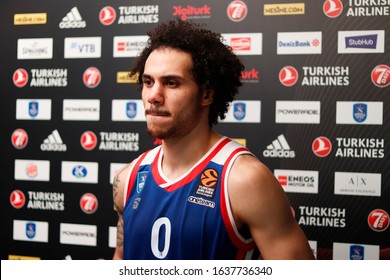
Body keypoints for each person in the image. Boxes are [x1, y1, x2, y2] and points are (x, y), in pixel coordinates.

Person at [112, 19, 315, 260]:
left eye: (171, 83)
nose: (154, 96)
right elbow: (121, 259)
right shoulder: (129, 178)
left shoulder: (244, 180)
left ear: (206, 94)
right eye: (148, 82)